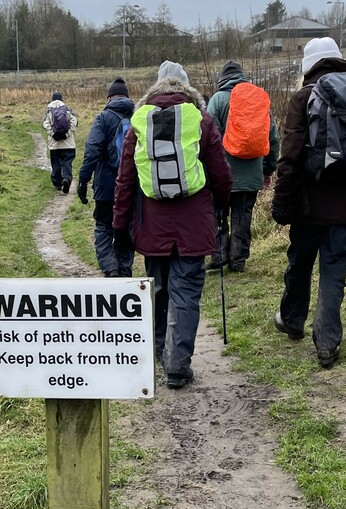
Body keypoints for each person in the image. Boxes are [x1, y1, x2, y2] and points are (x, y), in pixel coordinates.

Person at [112, 60, 232, 389]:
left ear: (156, 86)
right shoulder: (202, 120)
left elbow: (125, 181)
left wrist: (119, 226)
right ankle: (178, 366)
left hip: (152, 227)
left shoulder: (139, 123)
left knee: (159, 288)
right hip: (194, 226)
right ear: (187, 87)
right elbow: (221, 175)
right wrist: (219, 207)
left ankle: (159, 349)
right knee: (187, 293)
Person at [271, 36, 346, 368]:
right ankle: (327, 343)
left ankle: (292, 320)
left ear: (308, 65)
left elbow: (290, 158)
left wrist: (282, 201)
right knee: (334, 273)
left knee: (300, 264)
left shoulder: (302, 98)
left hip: (308, 206)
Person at [205, 60, 280, 273]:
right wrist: (268, 170)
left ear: (222, 79)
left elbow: (208, 138)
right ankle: (238, 261)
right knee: (243, 216)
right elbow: (272, 139)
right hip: (251, 175)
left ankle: (219, 257)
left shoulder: (217, 100)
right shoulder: (257, 100)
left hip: (221, 174)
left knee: (218, 213)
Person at [77, 77, 135, 276]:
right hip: (130, 187)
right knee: (125, 228)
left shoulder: (103, 118)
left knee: (103, 227)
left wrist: (83, 180)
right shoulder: (137, 117)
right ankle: (125, 272)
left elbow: (92, 150)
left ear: (108, 97)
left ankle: (111, 269)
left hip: (105, 186)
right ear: (127, 97)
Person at [43, 91, 78, 193]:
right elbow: (74, 122)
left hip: (55, 145)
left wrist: (53, 134)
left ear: (52, 99)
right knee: (67, 163)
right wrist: (67, 134)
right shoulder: (67, 109)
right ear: (62, 99)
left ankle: (57, 183)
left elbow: (46, 124)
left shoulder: (48, 110)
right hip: (69, 144)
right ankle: (66, 178)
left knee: (56, 164)